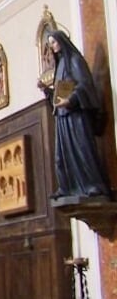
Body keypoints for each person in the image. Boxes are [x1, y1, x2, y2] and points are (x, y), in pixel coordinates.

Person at [39, 30, 112, 200]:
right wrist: (47, 91)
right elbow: (60, 92)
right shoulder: (60, 65)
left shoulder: (75, 61)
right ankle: (67, 186)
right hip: (63, 117)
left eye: (54, 42)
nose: (53, 46)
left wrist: (71, 101)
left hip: (76, 117)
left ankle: (93, 185)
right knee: (61, 155)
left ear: (62, 41)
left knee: (82, 150)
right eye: (50, 44)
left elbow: (84, 86)